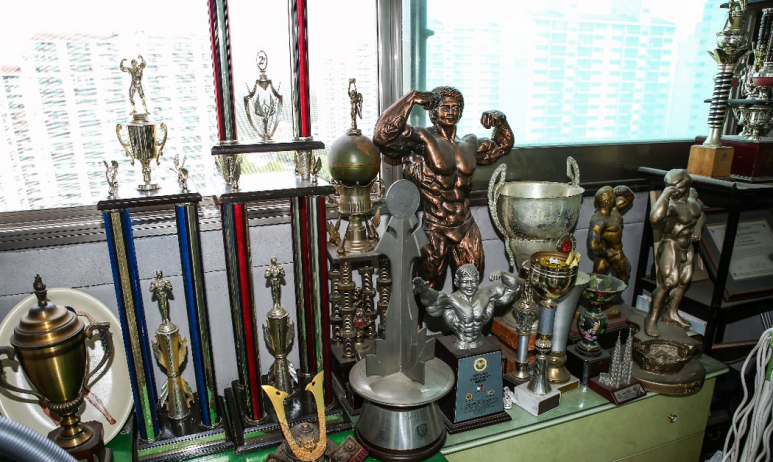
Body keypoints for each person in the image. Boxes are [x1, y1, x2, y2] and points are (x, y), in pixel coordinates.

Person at [374, 87, 514, 289]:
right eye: (445, 107)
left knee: (471, 284)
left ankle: (464, 312)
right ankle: (422, 312)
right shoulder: (422, 139)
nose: (450, 112)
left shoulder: (470, 143)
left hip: (465, 225)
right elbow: (382, 136)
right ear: (433, 111)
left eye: (455, 108)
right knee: (428, 287)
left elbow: (503, 146)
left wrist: (501, 121)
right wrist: (411, 98)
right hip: (435, 225)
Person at [645, 169, 705, 337]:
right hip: (671, 244)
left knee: (684, 280)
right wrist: (665, 195)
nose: (671, 188)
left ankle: (671, 313)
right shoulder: (669, 205)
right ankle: (651, 319)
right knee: (670, 282)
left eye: (674, 186)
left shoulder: (692, 197)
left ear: (685, 185)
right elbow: (654, 219)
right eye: (667, 185)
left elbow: (701, 214)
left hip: (687, 245)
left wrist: (698, 228)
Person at [413, 264, 520, 350]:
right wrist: (425, 292)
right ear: (457, 282)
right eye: (465, 282)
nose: (469, 286)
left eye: (473, 281)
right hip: (460, 344)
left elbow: (513, 287)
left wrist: (502, 273)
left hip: (479, 342)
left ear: (477, 281)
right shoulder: (450, 299)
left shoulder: (486, 294)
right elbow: (433, 300)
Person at [587, 185, 634, 283]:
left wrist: (622, 189)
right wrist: (606, 253)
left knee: (595, 280)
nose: (615, 198)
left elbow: (629, 198)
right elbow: (592, 244)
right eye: (613, 196)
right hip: (614, 253)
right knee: (624, 277)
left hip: (613, 252)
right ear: (607, 201)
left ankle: (595, 292)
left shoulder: (614, 210)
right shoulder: (599, 220)